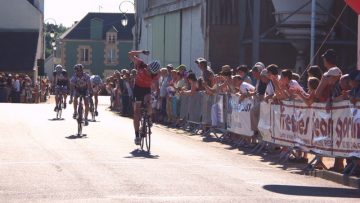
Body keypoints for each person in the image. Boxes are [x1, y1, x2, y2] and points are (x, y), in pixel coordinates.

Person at [128, 50, 161, 145]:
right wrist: (141, 52)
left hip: (146, 89)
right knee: (136, 112)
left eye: (151, 73)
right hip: (137, 89)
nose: (149, 73)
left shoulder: (156, 75)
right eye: (148, 70)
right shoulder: (141, 64)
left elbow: (156, 85)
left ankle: (148, 118)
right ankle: (137, 135)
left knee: (149, 103)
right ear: (148, 66)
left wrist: (157, 93)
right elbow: (130, 54)